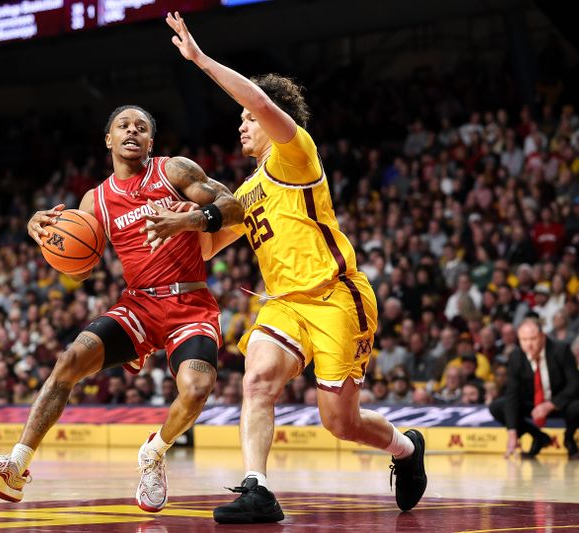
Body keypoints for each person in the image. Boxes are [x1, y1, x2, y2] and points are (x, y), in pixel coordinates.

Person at [147, 12, 426, 523]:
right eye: (243, 119)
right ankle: (258, 489)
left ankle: (406, 449)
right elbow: (207, 249)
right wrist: (163, 223)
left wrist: (200, 60)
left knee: (339, 423)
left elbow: (258, 100)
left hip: (336, 297)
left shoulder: (296, 155)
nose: (242, 123)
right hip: (285, 306)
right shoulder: (246, 192)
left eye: (249, 119)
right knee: (256, 381)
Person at [0, 105, 244, 512]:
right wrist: (44, 236)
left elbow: (232, 206)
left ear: (150, 141)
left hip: (190, 302)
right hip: (140, 305)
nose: (133, 130)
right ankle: (15, 469)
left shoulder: (174, 171)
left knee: (197, 390)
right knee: (70, 359)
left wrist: (191, 221)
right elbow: (80, 271)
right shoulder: (95, 200)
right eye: (123, 126)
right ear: (108, 140)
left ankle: (154, 452)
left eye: (142, 127)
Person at [489, 318, 579, 459]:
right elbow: (512, 394)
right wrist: (512, 433)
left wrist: (550, 405)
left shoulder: (561, 350)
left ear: (543, 336)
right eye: (524, 340)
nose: (528, 344)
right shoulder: (516, 356)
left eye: (533, 339)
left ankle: (569, 439)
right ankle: (538, 437)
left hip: (559, 402)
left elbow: (575, 384)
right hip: (532, 403)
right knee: (498, 407)